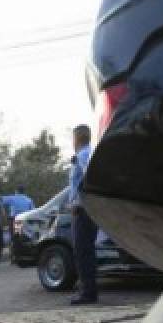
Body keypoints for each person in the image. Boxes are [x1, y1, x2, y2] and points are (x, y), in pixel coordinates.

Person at [64, 125, 99, 305]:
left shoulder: (83, 155)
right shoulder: (92, 152)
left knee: (82, 251)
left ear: (76, 139)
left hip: (83, 211)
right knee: (86, 251)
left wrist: (81, 200)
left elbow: (91, 176)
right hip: (88, 210)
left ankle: (88, 293)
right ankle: (88, 289)